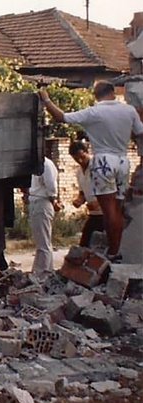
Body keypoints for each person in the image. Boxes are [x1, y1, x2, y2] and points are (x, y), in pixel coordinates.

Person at [39, 82, 143, 263]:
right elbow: (140, 131)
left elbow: (61, 117)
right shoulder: (129, 111)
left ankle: (112, 252)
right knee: (117, 209)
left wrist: (46, 100)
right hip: (123, 160)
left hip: (103, 160)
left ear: (96, 95)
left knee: (108, 210)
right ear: (112, 92)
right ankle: (115, 251)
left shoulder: (93, 112)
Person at [23, 156, 61, 275]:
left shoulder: (46, 165)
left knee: (43, 241)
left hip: (42, 202)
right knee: (40, 240)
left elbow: (51, 186)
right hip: (36, 202)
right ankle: (43, 269)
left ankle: (44, 271)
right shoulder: (35, 165)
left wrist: (53, 200)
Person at [68, 140, 104, 247]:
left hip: (105, 213)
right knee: (84, 244)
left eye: (82, 157)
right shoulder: (79, 172)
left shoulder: (98, 167)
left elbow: (111, 190)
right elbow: (83, 193)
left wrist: (98, 203)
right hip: (93, 214)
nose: (80, 160)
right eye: (76, 159)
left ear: (86, 152)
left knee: (101, 245)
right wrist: (79, 201)